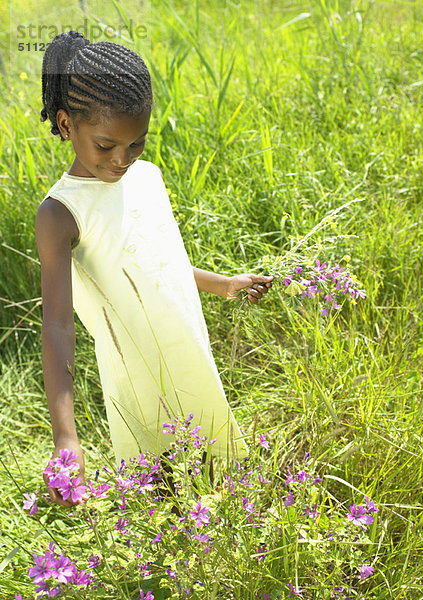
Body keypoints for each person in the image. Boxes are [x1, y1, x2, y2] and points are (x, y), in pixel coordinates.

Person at [36, 31, 273, 508]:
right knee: (159, 485)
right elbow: (57, 324)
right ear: (66, 124)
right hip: (134, 365)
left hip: (185, 340)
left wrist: (222, 284)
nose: (122, 159)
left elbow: (159, 260)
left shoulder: (146, 177)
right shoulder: (61, 214)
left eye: (136, 144)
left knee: (215, 459)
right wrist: (66, 436)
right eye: (106, 145)